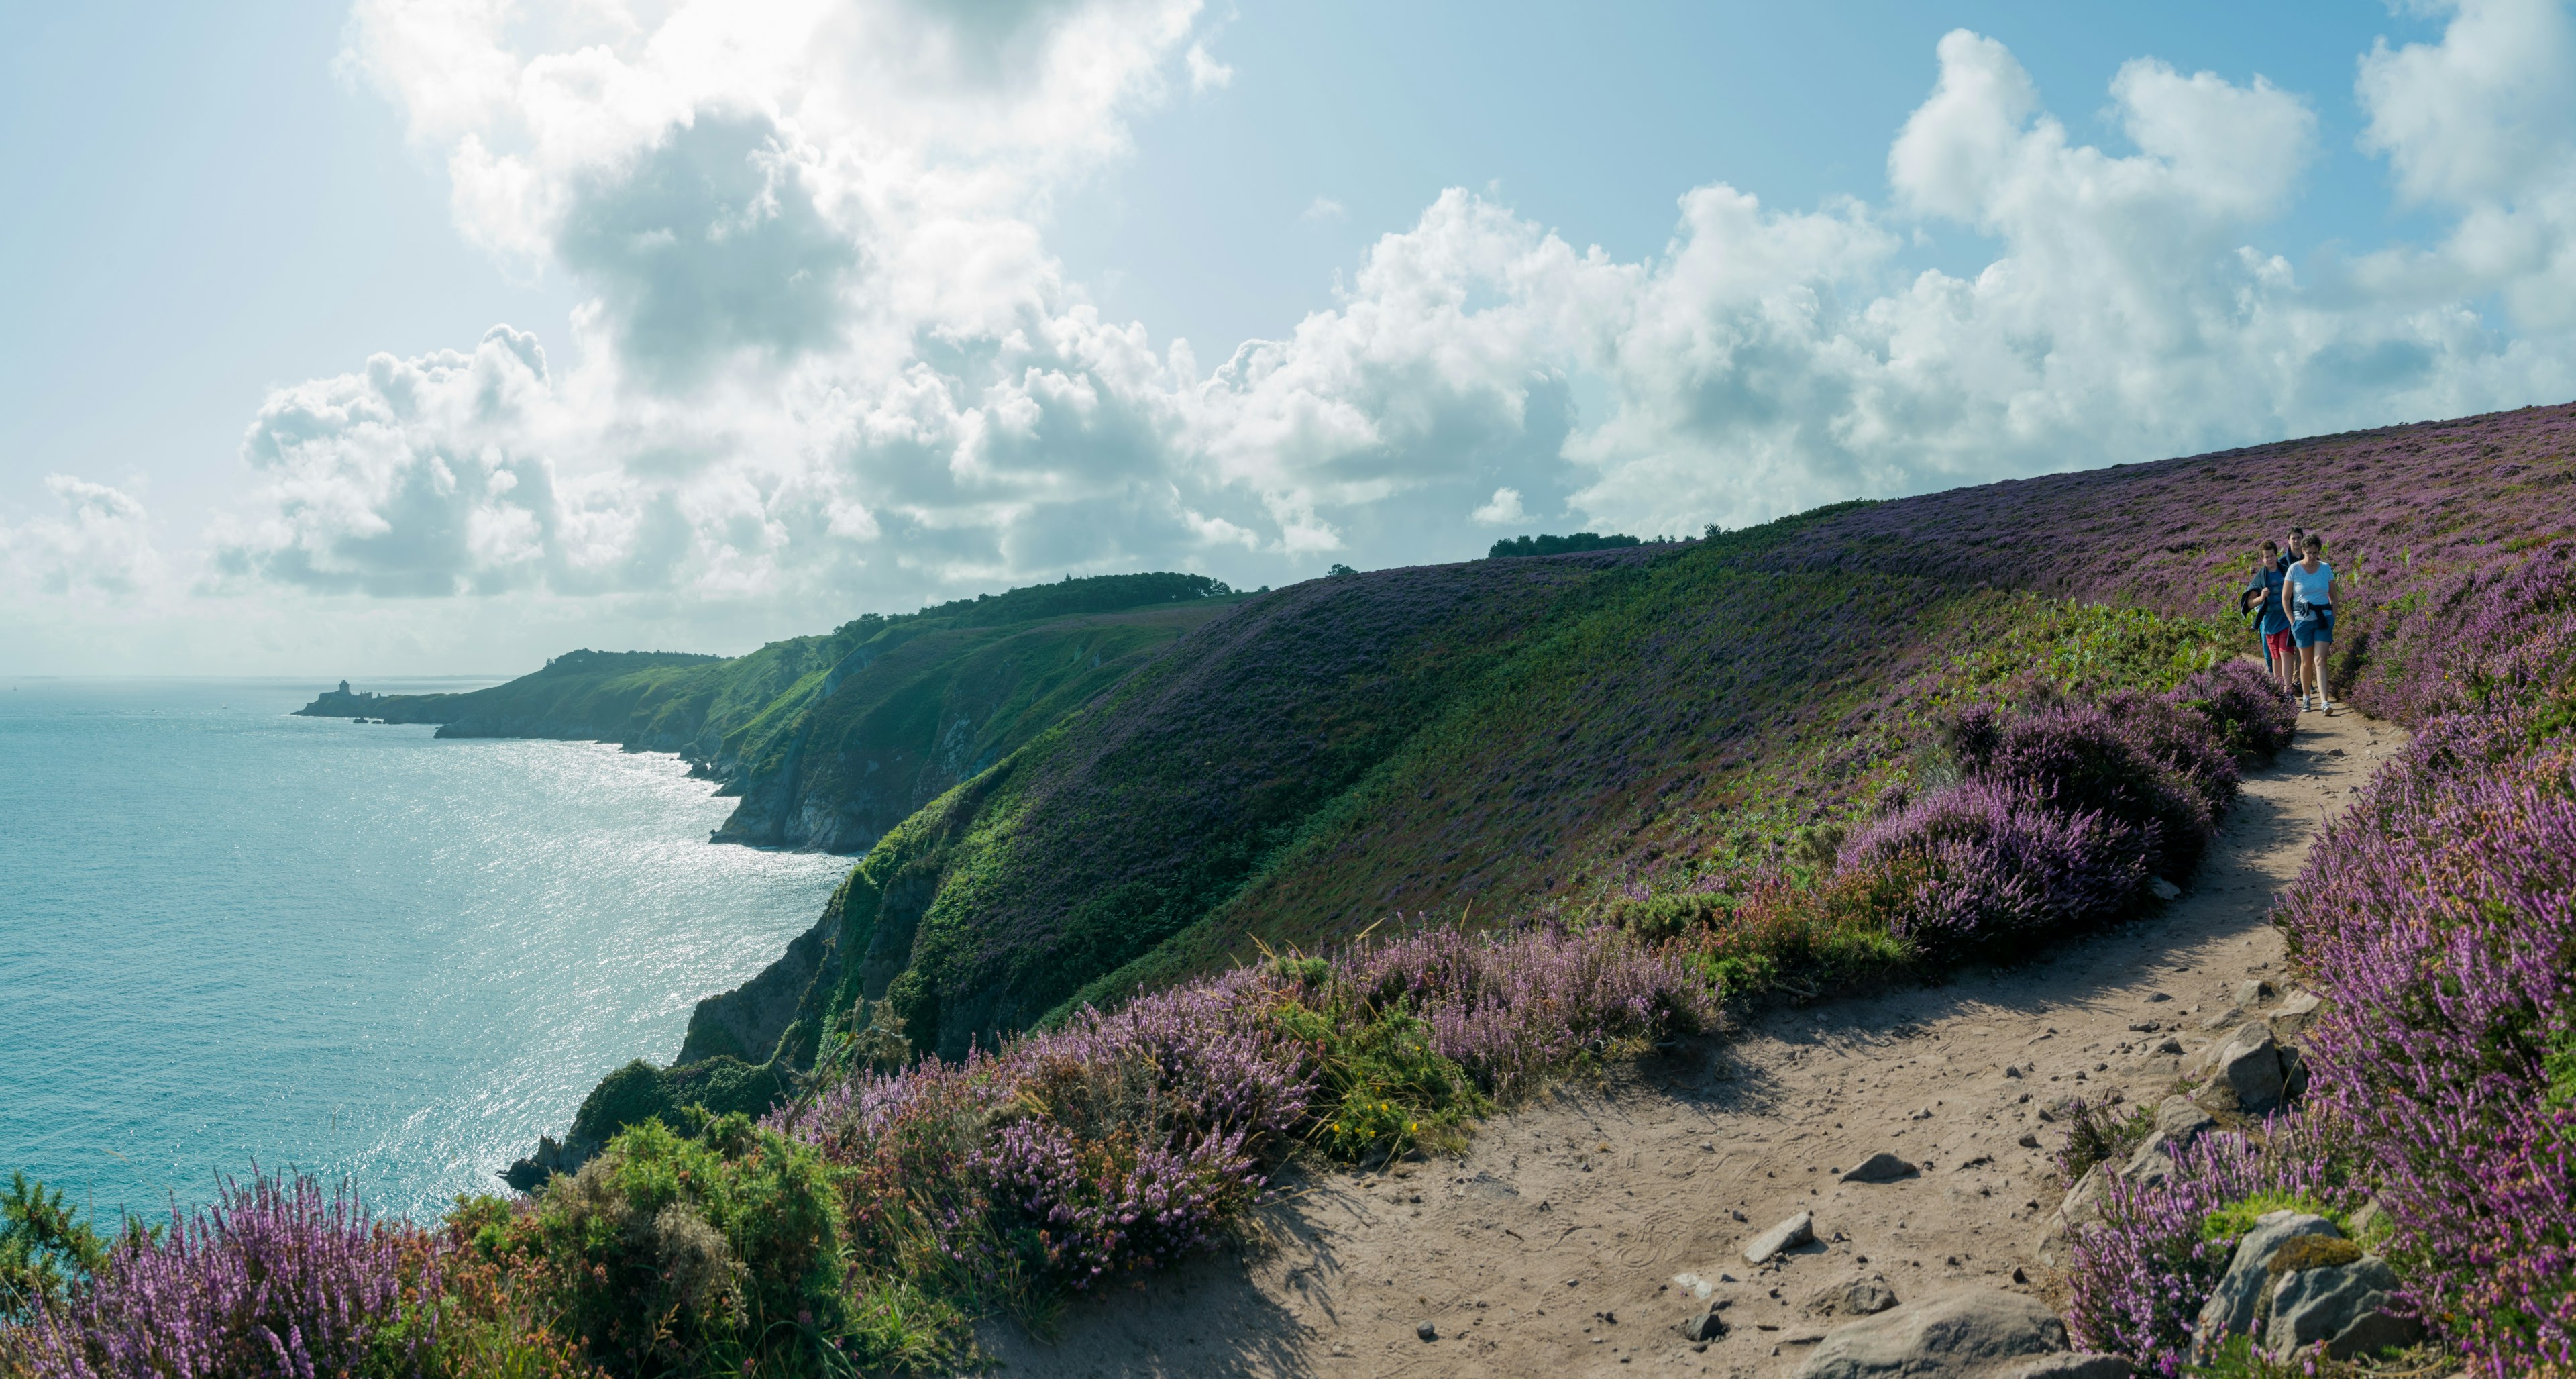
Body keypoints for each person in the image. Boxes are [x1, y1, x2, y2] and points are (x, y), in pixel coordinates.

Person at [2284, 533, 2336, 714]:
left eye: (2315, 552)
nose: (2312, 556)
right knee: (2306, 662)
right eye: (2309, 552)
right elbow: (2286, 598)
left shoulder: (2326, 568)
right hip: (2302, 620)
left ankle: (2325, 702)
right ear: (2303, 551)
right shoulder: (2294, 569)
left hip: (2323, 618)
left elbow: (2334, 596)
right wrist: (2293, 621)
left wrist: (2333, 618)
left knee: (2321, 659)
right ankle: (2307, 697)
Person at [2245, 540, 2294, 689]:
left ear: (2276, 555)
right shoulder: (2260, 577)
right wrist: (2262, 597)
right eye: (2266, 557)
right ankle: (2279, 688)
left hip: (2286, 618)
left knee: (2286, 652)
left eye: (2272, 556)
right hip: (2270, 621)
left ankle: (2288, 688)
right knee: (2275, 657)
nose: (2270, 559)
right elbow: (2250, 603)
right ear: (2262, 559)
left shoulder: (2286, 571)